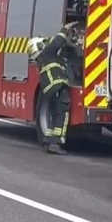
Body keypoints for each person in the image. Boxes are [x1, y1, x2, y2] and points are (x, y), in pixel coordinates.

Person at [31, 22, 78, 155]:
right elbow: (57, 42)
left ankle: (49, 139)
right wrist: (65, 29)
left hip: (51, 90)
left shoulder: (44, 58)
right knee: (62, 113)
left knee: (54, 113)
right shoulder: (47, 53)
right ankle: (55, 142)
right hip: (57, 87)